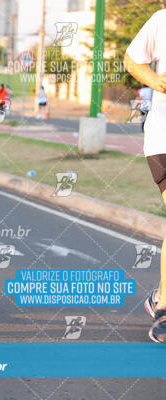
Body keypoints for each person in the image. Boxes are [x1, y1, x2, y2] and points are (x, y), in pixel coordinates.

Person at [124, 8, 166, 343]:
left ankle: (158, 297)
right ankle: (165, 306)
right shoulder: (161, 20)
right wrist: (156, 81)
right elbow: (132, 59)